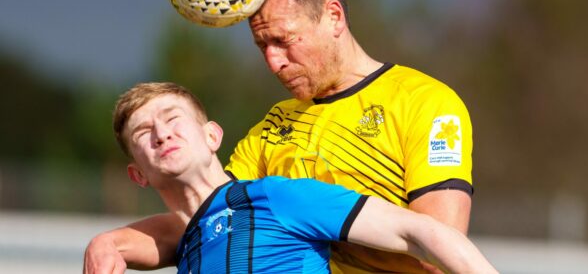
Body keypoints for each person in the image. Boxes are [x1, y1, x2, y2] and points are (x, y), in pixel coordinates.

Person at [84, 0, 474, 274]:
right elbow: (209, 221)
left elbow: (438, 241)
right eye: (261, 46)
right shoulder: (272, 127)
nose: (273, 61)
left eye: (284, 41)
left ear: (333, 16)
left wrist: (318, 221)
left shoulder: (424, 102)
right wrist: (111, 242)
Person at [95, 81, 495, 274]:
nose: (162, 134)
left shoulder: (273, 197)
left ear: (212, 135)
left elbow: (422, 232)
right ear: (138, 175)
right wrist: (104, 242)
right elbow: (165, 235)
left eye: (172, 120)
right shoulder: (192, 245)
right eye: (143, 134)